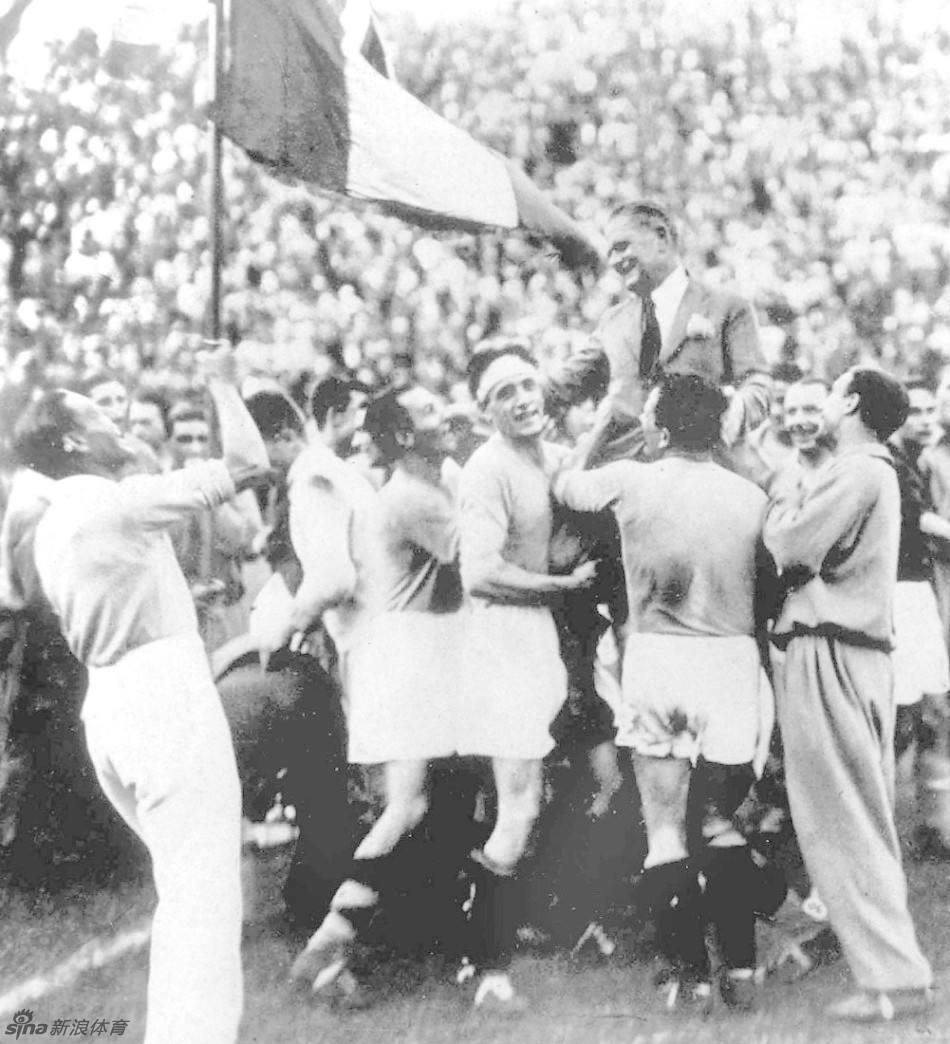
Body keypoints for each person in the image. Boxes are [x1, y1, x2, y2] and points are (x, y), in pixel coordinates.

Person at [7, 346, 270, 1044]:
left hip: (113, 701)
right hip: (162, 694)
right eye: (98, 416)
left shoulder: (51, 518)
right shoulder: (115, 501)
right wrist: (222, 383)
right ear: (73, 442)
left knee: (187, 890)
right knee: (204, 897)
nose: (117, 420)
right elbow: (250, 463)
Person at [554, 373, 774, 1013]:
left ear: (662, 426)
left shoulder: (631, 478)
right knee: (720, 820)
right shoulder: (750, 496)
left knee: (666, 831)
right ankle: (741, 971)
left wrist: (601, 426)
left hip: (660, 656)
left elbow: (565, 485)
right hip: (731, 661)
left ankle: (689, 979)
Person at [764, 366, 934, 1023]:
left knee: (840, 820)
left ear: (854, 403)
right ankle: (897, 973)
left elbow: (789, 545)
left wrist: (780, 500)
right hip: (855, 652)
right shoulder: (875, 470)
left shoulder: (856, 469)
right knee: (860, 814)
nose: (825, 404)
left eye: (834, 392)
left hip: (831, 649)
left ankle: (889, 980)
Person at [289, 387, 465, 1001]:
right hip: (409, 652)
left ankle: (355, 937)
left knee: (415, 803)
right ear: (405, 435)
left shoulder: (414, 488)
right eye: (431, 411)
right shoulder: (414, 497)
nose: (447, 414)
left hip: (406, 649)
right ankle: (331, 939)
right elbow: (482, 555)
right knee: (405, 806)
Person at [454, 342, 597, 1010]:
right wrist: (563, 586)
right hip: (505, 640)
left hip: (552, 639)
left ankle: (537, 921)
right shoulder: (486, 469)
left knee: (586, 782)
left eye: (527, 385)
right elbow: (480, 573)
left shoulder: (557, 457)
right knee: (517, 805)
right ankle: (488, 969)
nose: (522, 399)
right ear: (485, 410)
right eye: (504, 393)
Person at [566, 199, 770, 466]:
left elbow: (757, 384)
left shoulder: (729, 307)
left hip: (700, 470)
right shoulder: (613, 321)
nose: (614, 261)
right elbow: (566, 381)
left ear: (661, 238)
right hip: (627, 477)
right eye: (610, 253)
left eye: (621, 247)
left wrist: (735, 410)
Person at [888, 381, 950, 858]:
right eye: (916, 411)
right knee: (901, 719)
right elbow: (918, 519)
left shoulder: (921, 460)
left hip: (921, 591)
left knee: (932, 711)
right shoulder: (891, 461)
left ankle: (935, 827)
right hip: (898, 594)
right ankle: (885, 829)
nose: (926, 420)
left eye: (932, 410)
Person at [167, 400, 262, 651]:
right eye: (185, 439)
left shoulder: (229, 481)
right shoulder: (161, 488)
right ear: (170, 443)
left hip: (225, 605)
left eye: (202, 439)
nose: (195, 447)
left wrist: (211, 494)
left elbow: (247, 543)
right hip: (179, 611)